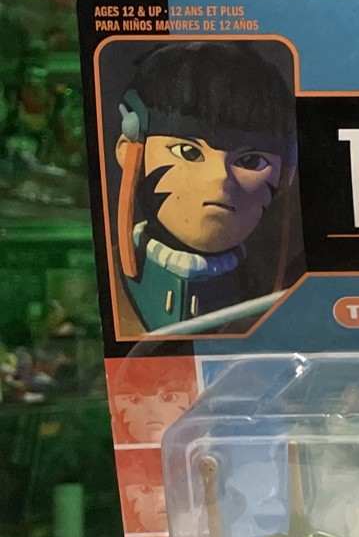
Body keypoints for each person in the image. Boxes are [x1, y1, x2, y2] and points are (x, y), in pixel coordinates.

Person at [110, 40, 298, 335]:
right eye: (188, 152)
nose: (219, 177)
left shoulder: (291, 301)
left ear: (286, 174)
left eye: (250, 161)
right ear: (131, 151)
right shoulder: (102, 284)